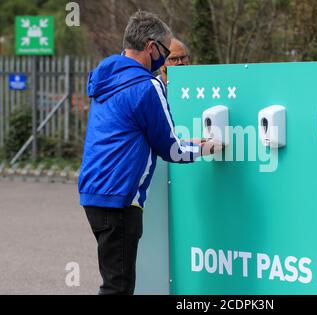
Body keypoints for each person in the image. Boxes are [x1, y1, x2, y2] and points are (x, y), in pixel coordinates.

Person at [78, 10, 220, 295]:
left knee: (114, 281)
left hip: (94, 194)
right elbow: (171, 150)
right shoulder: (147, 85)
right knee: (118, 287)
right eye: (167, 52)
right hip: (120, 200)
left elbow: (136, 133)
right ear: (152, 47)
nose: (167, 61)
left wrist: (184, 141)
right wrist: (206, 147)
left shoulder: (109, 78)